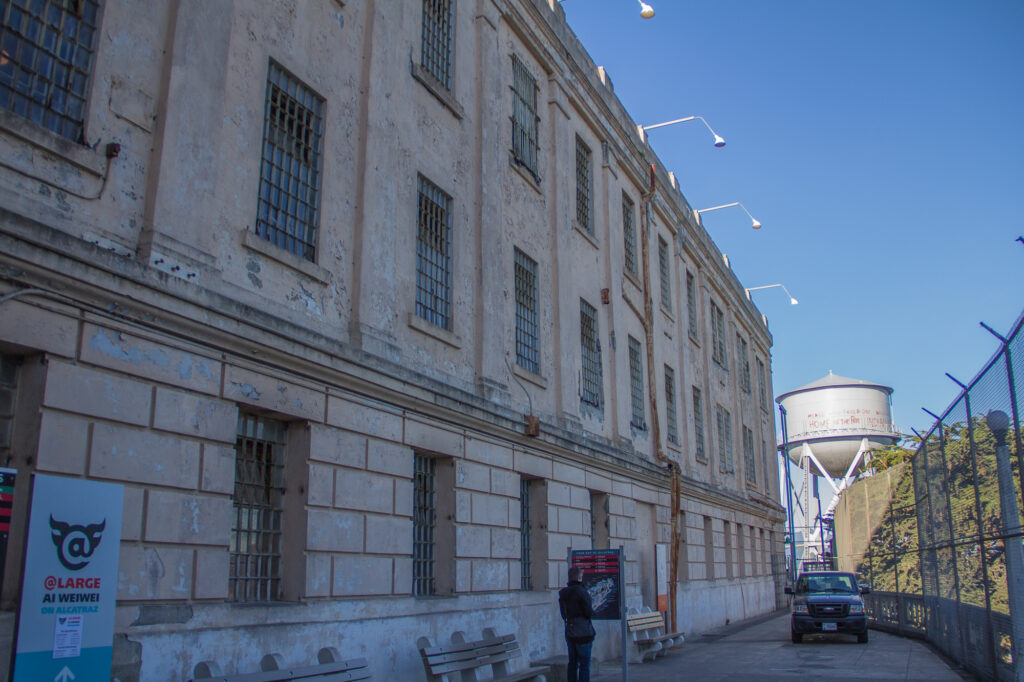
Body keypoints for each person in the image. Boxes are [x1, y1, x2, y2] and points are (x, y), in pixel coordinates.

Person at [558, 565, 595, 682]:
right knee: (584, 665)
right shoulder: (582, 592)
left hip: (570, 630)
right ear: (579, 578)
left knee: (572, 663)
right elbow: (588, 611)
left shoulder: (563, 594)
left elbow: (563, 614)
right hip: (583, 631)